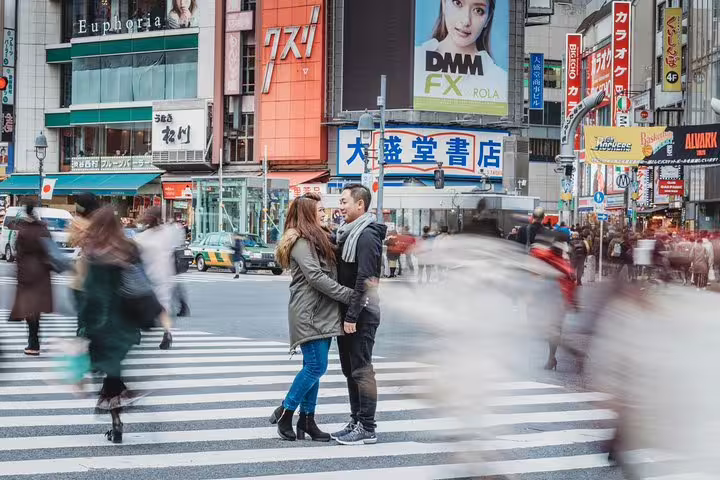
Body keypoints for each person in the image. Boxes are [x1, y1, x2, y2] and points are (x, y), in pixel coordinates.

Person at [270, 193, 355, 442]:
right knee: (317, 366)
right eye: (319, 210)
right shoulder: (302, 243)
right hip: (309, 313)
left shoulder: (320, 238)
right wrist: (349, 295)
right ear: (308, 214)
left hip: (323, 312)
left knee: (313, 368)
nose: (323, 213)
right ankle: (286, 412)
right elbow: (316, 277)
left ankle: (307, 421)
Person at [77, 207, 144, 444]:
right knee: (113, 368)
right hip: (126, 322)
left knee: (108, 369)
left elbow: (88, 293)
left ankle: (118, 412)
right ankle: (119, 408)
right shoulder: (130, 250)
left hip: (100, 323)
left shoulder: (92, 252)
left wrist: (81, 327)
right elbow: (140, 284)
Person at [332, 184, 386, 445]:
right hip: (348, 313)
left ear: (360, 205)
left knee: (362, 370)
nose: (341, 207)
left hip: (362, 314)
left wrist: (353, 315)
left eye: (344, 202)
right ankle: (356, 419)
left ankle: (367, 426)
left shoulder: (366, 236)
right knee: (350, 370)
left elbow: (367, 278)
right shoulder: (347, 234)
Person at [417, 0, 507, 108]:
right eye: (458, 3)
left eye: (478, 10)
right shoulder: (413, 60)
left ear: (487, 19)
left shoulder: (501, 81)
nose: (466, 21)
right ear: (444, 3)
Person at [134, 207, 184, 350]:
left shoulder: (142, 237)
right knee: (164, 306)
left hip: (146, 276)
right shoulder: (168, 232)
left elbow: (133, 251)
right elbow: (178, 235)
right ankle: (167, 333)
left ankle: (137, 330)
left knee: (138, 304)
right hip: (164, 274)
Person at [10, 203, 53, 356]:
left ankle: (33, 343)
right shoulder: (43, 229)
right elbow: (50, 251)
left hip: (27, 273)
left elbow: (18, 253)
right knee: (35, 309)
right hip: (41, 273)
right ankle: (34, 342)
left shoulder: (23, 231)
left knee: (30, 310)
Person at [69, 193, 101, 315]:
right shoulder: (101, 222)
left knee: (83, 307)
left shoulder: (79, 223)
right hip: (99, 273)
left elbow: (72, 240)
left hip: (84, 274)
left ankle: (84, 327)